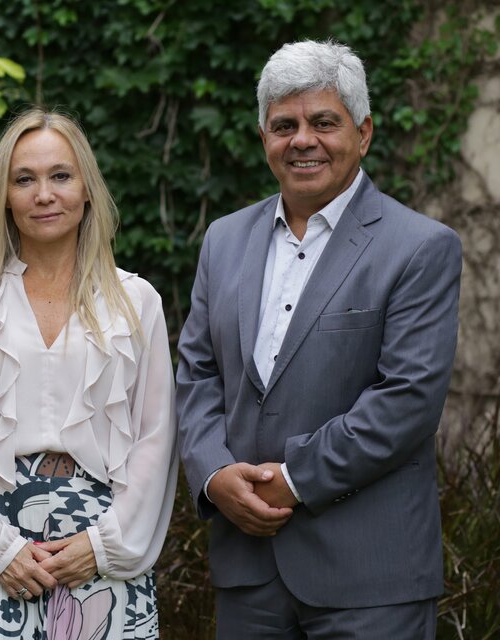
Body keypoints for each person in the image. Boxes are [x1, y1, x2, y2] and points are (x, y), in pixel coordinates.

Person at [175, 39, 462, 639]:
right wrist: (213, 474)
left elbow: (407, 399)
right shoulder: (223, 241)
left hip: (370, 579)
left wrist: (293, 479)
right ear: (264, 139)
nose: (302, 139)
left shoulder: (419, 247)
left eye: (323, 122)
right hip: (249, 572)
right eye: (284, 125)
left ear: (364, 133)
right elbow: (197, 375)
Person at [0, 107, 178, 639]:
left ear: (87, 189)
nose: (44, 194)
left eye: (60, 176)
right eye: (24, 179)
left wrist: (105, 546)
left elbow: (157, 436)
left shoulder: (135, 301)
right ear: (5, 197)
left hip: (102, 559)